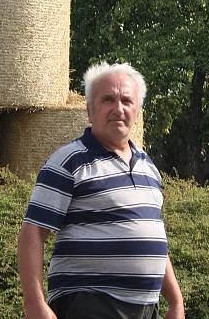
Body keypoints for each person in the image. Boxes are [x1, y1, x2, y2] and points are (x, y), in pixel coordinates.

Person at [18, 62, 184, 319]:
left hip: (146, 307)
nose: (118, 109)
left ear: (137, 111)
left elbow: (153, 239)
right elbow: (33, 231)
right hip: (89, 302)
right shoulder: (68, 162)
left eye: (127, 101)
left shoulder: (148, 167)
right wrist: (34, 303)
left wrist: (175, 300)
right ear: (89, 111)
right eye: (108, 99)